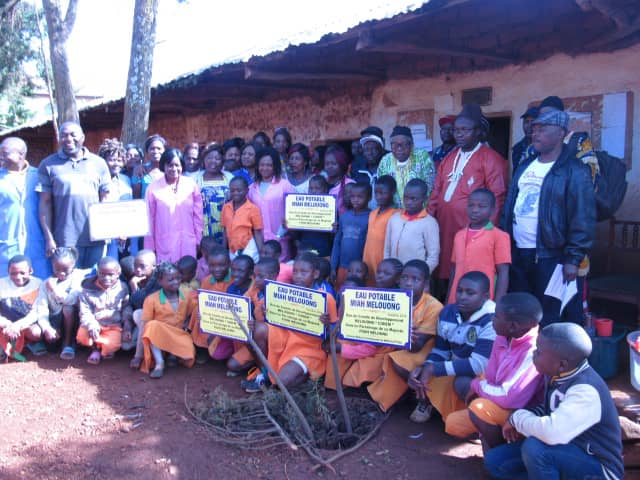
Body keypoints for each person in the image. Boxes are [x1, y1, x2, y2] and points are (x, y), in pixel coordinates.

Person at [483, 323, 623, 480]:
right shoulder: (557, 374)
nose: (534, 353)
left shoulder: (586, 390)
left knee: (535, 449)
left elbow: (551, 433)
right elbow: (549, 408)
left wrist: (517, 418)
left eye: (539, 352)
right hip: (565, 450)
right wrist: (518, 417)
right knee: (495, 462)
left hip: (597, 467)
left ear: (562, 364)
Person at [501, 109, 596, 326]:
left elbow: (583, 218)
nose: (535, 133)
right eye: (534, 129)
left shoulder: (574, 170)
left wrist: (573, 258)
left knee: (551, 315)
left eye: (542, 129)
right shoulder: (525, 165)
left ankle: (550, 348)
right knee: (522, 313)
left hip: (552, 256)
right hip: (519, 253)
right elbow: (509, 206)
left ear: (561, 133)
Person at [444, 293, 543, 449]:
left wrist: (477, 386)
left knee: (479, 407)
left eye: (496, 316)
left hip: (519, 413)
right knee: (453, 424)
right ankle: (486, 430)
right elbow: (491, 376)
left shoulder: (533, 351)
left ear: (513, 326)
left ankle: (501, 450)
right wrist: (480, 388)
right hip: (499, 400)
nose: (492, 320)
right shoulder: (503, 337)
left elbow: (510, 398)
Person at [428, 104, 508, 294]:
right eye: (457, 130)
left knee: (467, 272)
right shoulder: (449, 158)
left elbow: (497, 197)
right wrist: (429, 220)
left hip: (471, 228)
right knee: (444, 269)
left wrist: (487, 231)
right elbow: (436, 191)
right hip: (443, 226)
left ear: (478, 131)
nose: (459, 134)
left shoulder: (491, 158)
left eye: (465, 130)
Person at [408, 271, 496, 424]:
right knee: (420, 370)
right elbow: (441, 350)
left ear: (485, 296)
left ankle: (479, 418)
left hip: (485, 373)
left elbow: (479, 365)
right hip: (457, 364)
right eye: (459, 291)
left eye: (470, 293)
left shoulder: (492, 320)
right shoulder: (447, 312)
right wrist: (426, 366)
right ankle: (428, 402)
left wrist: (434, 368)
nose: (462, 297)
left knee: (462, 383)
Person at [367, 260, 443, 413]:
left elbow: (417, 346)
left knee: (398, 363)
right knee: (371, 357)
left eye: (415, 279)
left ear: (425, 283)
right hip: (396, 344)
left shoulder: (434, 306)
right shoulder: (393, 298)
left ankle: (425, 399)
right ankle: (404, 392)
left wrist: (397, 331)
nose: (408, 283)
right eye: (404, 278)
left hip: (422, 350)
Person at [36, 121, 112, 269]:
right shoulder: (48, 165)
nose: (68, 139)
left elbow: (106, 199)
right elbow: (45, 203)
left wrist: (107, 229)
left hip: (96, 238)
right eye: (64, 135)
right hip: (64, 240)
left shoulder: (99, 163)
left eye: (73, 135)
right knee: (68, 281)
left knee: (94, 279)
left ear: (82, 137)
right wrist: (49, 238)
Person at [267, 252, 337, 388]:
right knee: (263, 330)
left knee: (281, 382)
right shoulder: (287, 293)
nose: (298, 276)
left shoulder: (325, 299)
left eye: (303, 272)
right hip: (287, 342)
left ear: (315, 274)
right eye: (295, 272)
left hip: (311, 349)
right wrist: (269, 312)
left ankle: (309, 378)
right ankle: (266, 373)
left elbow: (335, 332)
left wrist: (327, 325)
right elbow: (280, 318)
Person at [447, 188, 510, 304]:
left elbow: (503, 272)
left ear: (493, 210)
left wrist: (497, 305)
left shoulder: (499, 236)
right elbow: (454, 269)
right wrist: (448, 300)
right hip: (457, 298)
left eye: (482, 206)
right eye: (471, 205)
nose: (475, 210)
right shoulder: (459, 235)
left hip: (483, 300)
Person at [0, 137, 50, 278]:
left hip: (36, 243)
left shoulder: (38, 176)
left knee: (38, 282)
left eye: (5, 153)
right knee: (7, 283)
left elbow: (48, 206)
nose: (1, 156)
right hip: (6, 243)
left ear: (21, 155)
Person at [145, 148, 203, 263]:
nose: (174, 169)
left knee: (188, 271)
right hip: (164, 243)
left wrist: (198, 240)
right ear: (164, 166)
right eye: (170, 165)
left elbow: (198, 216)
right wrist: (150, 248)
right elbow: (149, 220)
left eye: (177, 165)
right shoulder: (153, 188)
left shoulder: (191, 185)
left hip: (188, 243)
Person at [140, 262, 196, 378]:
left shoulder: (186, 295)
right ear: (160, 282)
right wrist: (137, 355)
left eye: (178, 278)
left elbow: (192, 312)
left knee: (188, 357)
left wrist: (190, 320)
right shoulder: (151, 299)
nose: (176, 282)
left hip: (179, 334)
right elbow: (145, 325)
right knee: (151, 325)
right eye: (171, 280)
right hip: (159, 337)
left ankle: (172, 354)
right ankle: (160, 363)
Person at [77, 257, 133, 365]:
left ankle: (103, 348)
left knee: (112, 345)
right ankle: (96, 349)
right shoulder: (87, 289)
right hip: (94, 324)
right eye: (102, 274)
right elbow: (85, 311)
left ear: (118, 274)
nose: (106, 278)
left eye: (111, 275)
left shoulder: (123, 288)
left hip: (113, 326)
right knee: (82, 337)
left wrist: (127, 326)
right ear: (97, 272)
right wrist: (92, 324)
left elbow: (126, 307)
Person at [0, 255, 55, 361]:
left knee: (36, 333)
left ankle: (29, 343)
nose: (18, 277)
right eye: (13, 273)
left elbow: (36, 311)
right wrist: (7, 324)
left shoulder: (38, 284)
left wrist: (18, 325)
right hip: (5, 326)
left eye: (22, 273)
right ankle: (5, 344)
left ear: (30, 271)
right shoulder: (1, 284)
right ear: (8, 272)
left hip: (26, 324)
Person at [239, 257, 279, 393]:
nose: (256, 280)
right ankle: (263, 370)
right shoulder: (255, 288)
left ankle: (267, 377)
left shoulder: (280, 292)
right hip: (261, 335)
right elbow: (241, 303)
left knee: (257, 330)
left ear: (273, 276)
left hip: (278, 338)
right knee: (245, 333)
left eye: (261, 276)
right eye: (255, 276)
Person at [41, 247, 89, 360]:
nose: (61, 273)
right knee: (52, 348)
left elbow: (71, 300)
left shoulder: (78, 278)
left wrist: (54, 290)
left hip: (75, 319)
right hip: (56, 320)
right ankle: (60, 339)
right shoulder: (46, 283)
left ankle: (68, 343)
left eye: (66, 269)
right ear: (52, 265)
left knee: (68, 308)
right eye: (57, 269)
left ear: (73, 265)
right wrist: (47, 328)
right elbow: (41, 308)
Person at [247, 147, 294, 261]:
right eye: (262, 165)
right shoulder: (251, 188)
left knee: (281, 269)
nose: (265, 168)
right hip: (259, 242)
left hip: (281, 241)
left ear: (275, 166)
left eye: (269, 165)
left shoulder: (285, 185)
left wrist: (280, 234)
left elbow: (293, 212)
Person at [384, 178, 440, 273]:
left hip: (414, 276)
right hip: (393, 274)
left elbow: (433, 257)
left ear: (425, 199)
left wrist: (420, 274)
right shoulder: (394, 218)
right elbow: (387, 248)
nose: (408, 202)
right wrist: (387, 268)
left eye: (413, 199)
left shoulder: (429, 223)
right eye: (405, 197)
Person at [187, 245, 231, 363]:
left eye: (221, 265)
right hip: (211, 318)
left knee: (219, 354)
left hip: (227, 320)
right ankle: (201, 347)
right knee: (198, 310)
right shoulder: (207, 281)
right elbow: (203, 300)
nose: (217, 269)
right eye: (212, 265)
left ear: (229, 264)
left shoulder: (234, 279)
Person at [377, 125, 435, 208]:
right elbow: (381, 188)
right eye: (394, 145)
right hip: (394, 212)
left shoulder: (422, 157)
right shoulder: (385, 161)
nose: (399, 148)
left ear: (411, 145)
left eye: (404, 144)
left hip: (419, 210)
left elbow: (431, 186)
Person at [330, 182, 371, 291]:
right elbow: (337, 242)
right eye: (352, 196)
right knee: (341, 292)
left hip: (359, 270)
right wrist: (333, 266)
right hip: (342, 266)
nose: (355, 200)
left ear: (369, 198)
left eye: (360, 197)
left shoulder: (371, 217)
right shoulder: (344, 217)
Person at [98, 138, 134, 259]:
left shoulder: (126, 180)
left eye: (119, 160)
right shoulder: (98, 181)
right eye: (112, 160)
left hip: (126, 233)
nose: (116, 164)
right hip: (106, 234)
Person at [362, 175, 399, 286]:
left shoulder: (396, 214)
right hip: (368, 260)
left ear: (392, 192)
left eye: (383, 193)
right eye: (376, 193)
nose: (378, 196)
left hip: (383, 263)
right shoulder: (372, 213)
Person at [127, 249, 160, 369]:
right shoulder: (137, 277)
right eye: (135, 266)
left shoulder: (159, 280)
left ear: (153, 267)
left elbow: (144, 303)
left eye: (142, 266)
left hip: (157, 319)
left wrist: (134, 287)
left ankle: (139, 355)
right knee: (126, 345)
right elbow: (131, 304)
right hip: (143, 321)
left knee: (141, 314)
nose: (138, 269)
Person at [195, 143, 233, 244]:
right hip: (203, 228)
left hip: (226, 227)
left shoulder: (229, 177)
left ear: (223, 161)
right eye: (209, 158)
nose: (213, 161)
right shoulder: (196, 179)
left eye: (217, 158)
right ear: (204, 160)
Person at [288, 175, 333, 258]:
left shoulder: (331, 208)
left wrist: (334, 228)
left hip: (323, 250)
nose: (313, 191)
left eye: (317, 188)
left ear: (325, 190)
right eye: (311, 188)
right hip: (305, 249)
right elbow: (296, 233)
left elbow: (334, 235)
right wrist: (289, 225)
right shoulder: (301, 208)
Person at [221, 176, 264, 262]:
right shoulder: (226, 207)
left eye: (239, 190)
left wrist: (262, 254)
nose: (235, 193)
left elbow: (257, 232)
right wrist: (223, 250)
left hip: (248, 248)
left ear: (247, 190)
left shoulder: (253, 208)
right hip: (232, 249)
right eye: (232, 190)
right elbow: (225, 230)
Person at [352, 132, 385, 204]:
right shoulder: (358, 172)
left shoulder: (387, 172)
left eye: (374, 149)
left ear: (381, 151)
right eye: (366, 149)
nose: (370, 153)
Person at [131, 134, 166, 200]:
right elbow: (136, 197)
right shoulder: (140, 170)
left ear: (164, 150)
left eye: (159, 148)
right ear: (147, 152)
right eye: (152, 149)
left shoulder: (170, 169)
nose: (155, 151)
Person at [325, 145, 355, 217]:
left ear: (342, 165)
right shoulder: (322, 182)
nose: (329, 166)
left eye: (333, 163)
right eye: (327, 164)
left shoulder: (349, 184)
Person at [511, 106, 539, 173]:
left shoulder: (545, 147)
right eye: (526, 122)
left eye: (533, 122)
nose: (529, 126)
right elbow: (515, 173)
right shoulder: (517, 148)